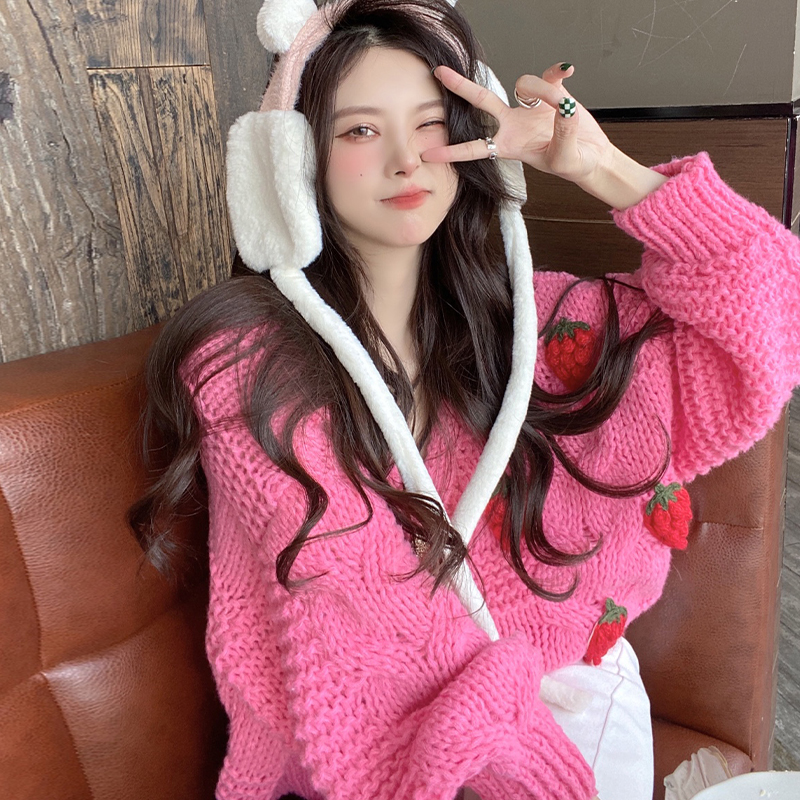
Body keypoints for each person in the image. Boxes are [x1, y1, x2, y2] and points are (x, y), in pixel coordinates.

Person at [128, 1, 800, 799]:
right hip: (393, 748)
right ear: (293, 159)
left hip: (586, 714)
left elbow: (768, 316)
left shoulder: (545, 329)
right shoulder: (248, 367)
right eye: (360, 130)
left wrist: (602, 167)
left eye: (430, 125)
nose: (406, 161)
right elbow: (364, 629)